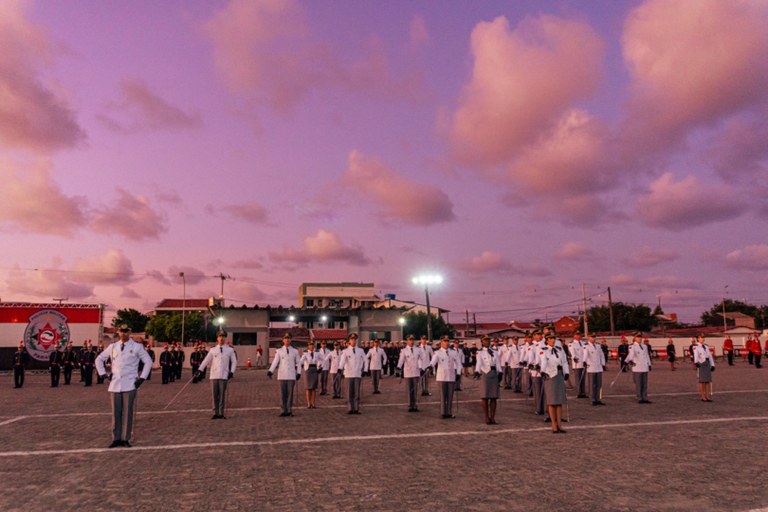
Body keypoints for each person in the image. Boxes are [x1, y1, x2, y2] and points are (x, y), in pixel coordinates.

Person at [95, 325, 152, 447]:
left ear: (129, 332)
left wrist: (142, 378)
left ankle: (125, 438)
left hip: (130, 383)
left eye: (126, 331)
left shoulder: (137, 347)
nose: (123, 334)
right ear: (118, 332)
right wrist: (104, 374)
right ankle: (116, 438)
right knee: (116, 412)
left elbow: (148, 361)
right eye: (121, 331)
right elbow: (99, 359)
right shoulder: (113, 346)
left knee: (127, 412)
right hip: (115, 383)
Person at [194, 331, 237, 419]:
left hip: (224, 375)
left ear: (225, 338)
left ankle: (221, 413)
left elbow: (234, 362)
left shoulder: (230, 349)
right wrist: (200, 369)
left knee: (222, 395)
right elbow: (206, 360)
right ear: (217, 338)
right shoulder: (213, 350)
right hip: (214, 375)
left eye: (223, 336)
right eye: (220, 336)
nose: (221, 338)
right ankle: (215, 413)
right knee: (214, 395)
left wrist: (231, 372)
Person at [540, 333, 569, 433]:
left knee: (559, 401)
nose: (552, 340)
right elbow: (543, 362)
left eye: (553, 338)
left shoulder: (560, 349)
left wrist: (567, 372)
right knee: (552, 402)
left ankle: (560, 424)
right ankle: (553, 424)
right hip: (550, 375)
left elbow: (565, 362)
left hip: (559, 375)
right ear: (546, 340)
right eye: (550, 338)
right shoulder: (544, 351)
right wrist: (542, 371)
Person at [267, 333, 302, 417]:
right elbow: (275, 362)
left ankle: (289, 410)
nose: (287, 340)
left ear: (291, 340)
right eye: (285, 338)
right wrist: (270, 371)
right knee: (283, 394)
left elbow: (298, 362)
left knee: (290, 394)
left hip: (291, 375)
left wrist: (299, 373)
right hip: (282, 375)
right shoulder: (279, 351)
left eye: (289, 338)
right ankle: (283, 410)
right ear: (283, 340)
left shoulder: (295, 351)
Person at [430, 336, 460, 419]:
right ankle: (443, 412)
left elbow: (458, 363)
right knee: (443, 396)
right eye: (444, 341)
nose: (446, 343)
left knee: (450, 396)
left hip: (451, 376)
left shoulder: (453, 352)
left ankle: (449, 412)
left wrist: (458, 373)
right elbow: (433, 361)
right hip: (442, 377)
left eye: (447, 341)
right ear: (441, 343)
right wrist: (430, 366)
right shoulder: (438, 352)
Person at [338, 333, 368, 415]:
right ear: (349, 341)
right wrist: (340, 368)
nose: (353, 341)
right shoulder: (345, 351)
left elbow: (366, 360)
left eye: (355, 339)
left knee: (357, 392)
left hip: (357, 373)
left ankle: (356, 408)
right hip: (348, 374)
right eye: (352, 339)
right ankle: (350, 408)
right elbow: (342, 361)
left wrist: (365, 370)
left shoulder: (360, 350)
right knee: (349, 392)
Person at [474, 336, 502, 424]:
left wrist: (500, 372)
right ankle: (486, 417)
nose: (487, 342)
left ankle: (492, 417)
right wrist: (477, 371)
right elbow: (478, 363)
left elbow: (497, 362)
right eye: (485, 340)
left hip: (493, 373)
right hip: (485, 373)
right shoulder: (480, 352)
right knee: (485, 397)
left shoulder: (495, 352)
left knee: (494, 397)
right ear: (482, 342)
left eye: (488, 340)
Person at [397, 335, 426, 412]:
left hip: (416, 372)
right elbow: (401, 360)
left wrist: (422, 368)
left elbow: (422, 358)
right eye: (410, 340)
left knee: (415, 390)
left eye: (412, 340)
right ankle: (410, 405)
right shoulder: (404, 350)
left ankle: (415, 405)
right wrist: (398, 367)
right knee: (409, 390)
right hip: (408, 372)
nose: (411, 341)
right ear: (407, 340)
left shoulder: (418, 350)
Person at [625, 332, 652, 404]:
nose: (640, 338)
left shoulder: (645, 346)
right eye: (638, 337)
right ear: (634, 338)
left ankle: (645, 397)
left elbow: (647, 356)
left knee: (645, 384)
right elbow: (631, 354)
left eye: (640, 337)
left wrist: (649, 364)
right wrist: (629, 361)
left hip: (644, 367)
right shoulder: (632, 346)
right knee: (638, 383)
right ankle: (640, 397)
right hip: (637, 367)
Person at [583, 334, 606, 406]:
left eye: (594, 337)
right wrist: (584, 361)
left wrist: (603, 363)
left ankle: (598, 399)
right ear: (589, 338)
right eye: (592, 337)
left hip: (599, 367)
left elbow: (601, 355)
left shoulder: (598, 345)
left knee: (599, 384)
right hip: (591, 367)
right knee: (592, 384)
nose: (593, 338)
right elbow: (585, 354)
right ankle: (592, 399)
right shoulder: (586, 345)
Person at [693, 334, 715, 402]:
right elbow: (695, 354)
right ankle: (703, 397)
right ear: (698, 339)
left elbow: (710, 356)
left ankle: (707, 396)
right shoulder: (696, 346)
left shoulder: (706, 346)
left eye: (703, 337)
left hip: (707, 363)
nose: (703, 339)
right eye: (701, 338)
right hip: (701, 363)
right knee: (702, 381)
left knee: (708, 381)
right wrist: (696, 362)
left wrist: (712, 364)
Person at [299, 341, 320, 408]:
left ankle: (313, 403)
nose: (311, 346)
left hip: (314, 369)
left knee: (313, 388)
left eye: (312, 345)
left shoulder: (317, 353)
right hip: (308, 370)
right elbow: (301, 361)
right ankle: (308, 403)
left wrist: (320, 366)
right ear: (308, 346)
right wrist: (298, 365)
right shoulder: (305, 353)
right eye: (310, 345)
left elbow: (322, 359)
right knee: (308, 388)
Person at [569, 332, 587, 398]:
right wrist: (574, 358)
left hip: (583, 363)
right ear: (574, 336)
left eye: (579, 335)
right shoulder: (572, 344)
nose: (579, 336)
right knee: (578, 379)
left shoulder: (584, 343)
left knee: (583, 379)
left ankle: (583, 392)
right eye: (577, 335)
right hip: (577, 363)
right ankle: (579, 393)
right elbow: (572, 352)